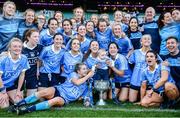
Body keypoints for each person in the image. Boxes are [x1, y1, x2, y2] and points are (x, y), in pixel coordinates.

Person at [10, 63, 94, 115]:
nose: (86, 71)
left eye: (86, 69)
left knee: (55, 100)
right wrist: (88, 75)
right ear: (78, 71)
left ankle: (27, 110)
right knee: (44, 92)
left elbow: (83, 97)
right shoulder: (73, 74)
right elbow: (77, 83)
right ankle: (17, 105)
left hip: (64, 99)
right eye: (84, 69)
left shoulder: (87, 85)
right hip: (59, 90)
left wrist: (85, 99)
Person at [0, 38, 30, 108]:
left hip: (10, 85)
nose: (17, 48)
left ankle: (9, 97)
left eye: (19, 46)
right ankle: (6, 97)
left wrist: (18, 90)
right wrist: (3, 92)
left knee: (18, 102)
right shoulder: (3, 59)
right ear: (9, 48)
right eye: (15, 46)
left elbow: (22, 75)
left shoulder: (24, 58)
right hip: (1, 85)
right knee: (4, 106)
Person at [128, 34, 152, 102]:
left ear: (151, 42)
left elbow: (159, 64)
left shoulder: (153, 53)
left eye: (148, 39)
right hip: (136, 80)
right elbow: (130, 63)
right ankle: (138, 94)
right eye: (145, 39)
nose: (147, 40)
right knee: (132, 100)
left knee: (146, 100)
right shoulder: (136, 52)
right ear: (141, 42)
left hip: (148, 81)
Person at [22, 29, 43, 96]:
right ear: (28, 37)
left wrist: (38, 70)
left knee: (31, 98)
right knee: (17, 100)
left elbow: (40, 61)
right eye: (35, 37)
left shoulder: (40, 48)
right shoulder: (21, 47)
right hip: (21, 75)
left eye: (38, 37)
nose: (37, 39)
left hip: (33, 76)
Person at [161, 37, 180, 108]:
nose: (170, 45)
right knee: (167, 85)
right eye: (168, 43)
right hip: (174, 85)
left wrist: (171, 65)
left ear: (177, 44)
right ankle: (173, 101)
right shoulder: (165, 58)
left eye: (172, 43)